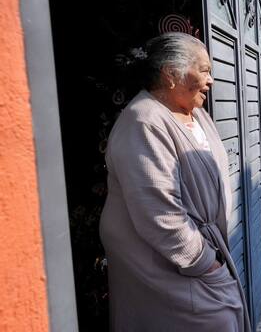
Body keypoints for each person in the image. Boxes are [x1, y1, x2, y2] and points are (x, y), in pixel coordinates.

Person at [99, 32, 251, 331]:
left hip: (201, 249)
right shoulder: (144, 122)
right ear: (171, 75)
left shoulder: (196, 114)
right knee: (216, 319)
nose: (211, 81)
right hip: (163, 259)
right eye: (204, 70)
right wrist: (205, 263)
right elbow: (160, 213)